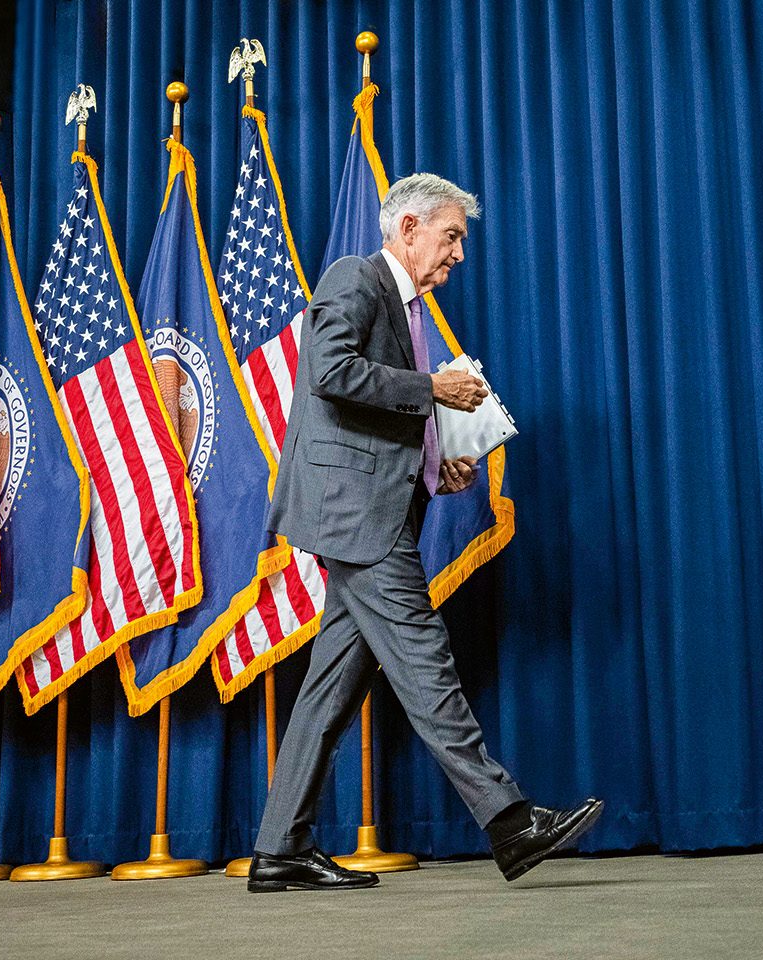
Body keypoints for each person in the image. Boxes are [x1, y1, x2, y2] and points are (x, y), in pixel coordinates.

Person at [247, 173, 602, 892]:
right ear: (407, 228)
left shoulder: (406, 307)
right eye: (452, 237)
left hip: (367, 508)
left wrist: (440, 466)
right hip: (356, 516)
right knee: (425, 663)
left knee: (331, 690)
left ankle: (280, 847)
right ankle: (509, 821)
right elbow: (331, 372)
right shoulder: (356, 278)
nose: (459, 254)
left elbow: (376, 419)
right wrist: (433, 389)